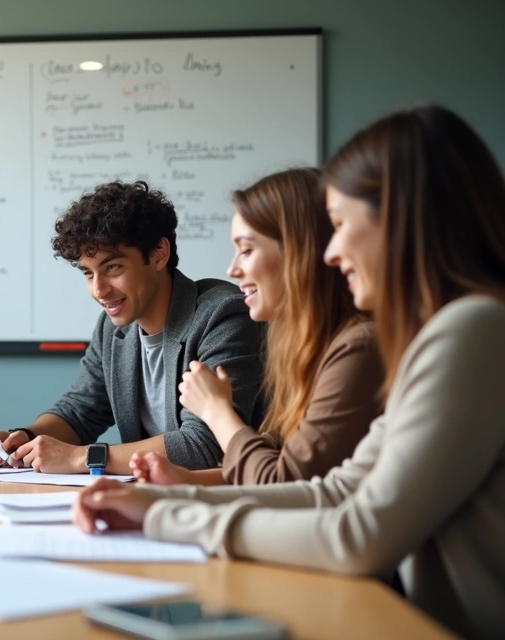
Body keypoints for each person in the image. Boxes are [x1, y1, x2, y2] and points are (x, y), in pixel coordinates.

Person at [71, 105, 505, 639]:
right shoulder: (441, 333)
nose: (333, 251)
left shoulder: (473, 329)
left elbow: (357, 533)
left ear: (401, 220)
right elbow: (337, 491)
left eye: (341, 226)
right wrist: (163, 499)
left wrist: (165, 517)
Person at [0, 181, 265, 475]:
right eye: (88, 273)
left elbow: (203, 445)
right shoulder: (113, 329)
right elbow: (80, 411)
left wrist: (81, 457)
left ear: (158, 254)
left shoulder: (224, 315)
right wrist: (24, 437)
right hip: (152, 498)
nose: (99, 290)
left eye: (112, 268)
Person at [129, 168, 382, 486]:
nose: (232, 269)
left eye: (247, 250)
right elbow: (280, 459)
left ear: (297, 252)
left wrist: (216, 411)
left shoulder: (358, 349)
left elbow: (284, 480)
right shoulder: (302, 348)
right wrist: (184, 480)